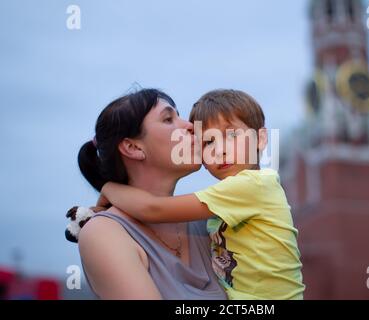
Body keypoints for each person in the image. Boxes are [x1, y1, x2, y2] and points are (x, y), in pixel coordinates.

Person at [99, 89, 305, 300]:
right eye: (208, 142)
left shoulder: (252, 185)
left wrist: (107, 189)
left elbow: (152, 209)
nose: (220, 150)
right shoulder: (104, 234)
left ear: (260, 139)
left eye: (232, 135)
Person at [69, 88, 227, 299]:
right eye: (169, 119)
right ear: (133, 147)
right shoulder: (103, 233)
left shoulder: (210, 224)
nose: (190, 126)